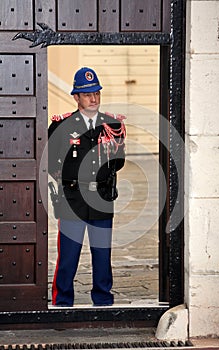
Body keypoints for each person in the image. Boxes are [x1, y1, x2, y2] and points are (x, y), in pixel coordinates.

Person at [48, 67, 126, 307]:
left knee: (102, 255)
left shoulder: (112, 124)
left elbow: (119, 160)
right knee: (68, 257)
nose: (94, 98)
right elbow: (51, 163)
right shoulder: (61, 126)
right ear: (76, 97)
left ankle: (103, 301)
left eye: (96, 93)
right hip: (72, 200)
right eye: (87, 94)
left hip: (101, 198)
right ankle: (62, 302)